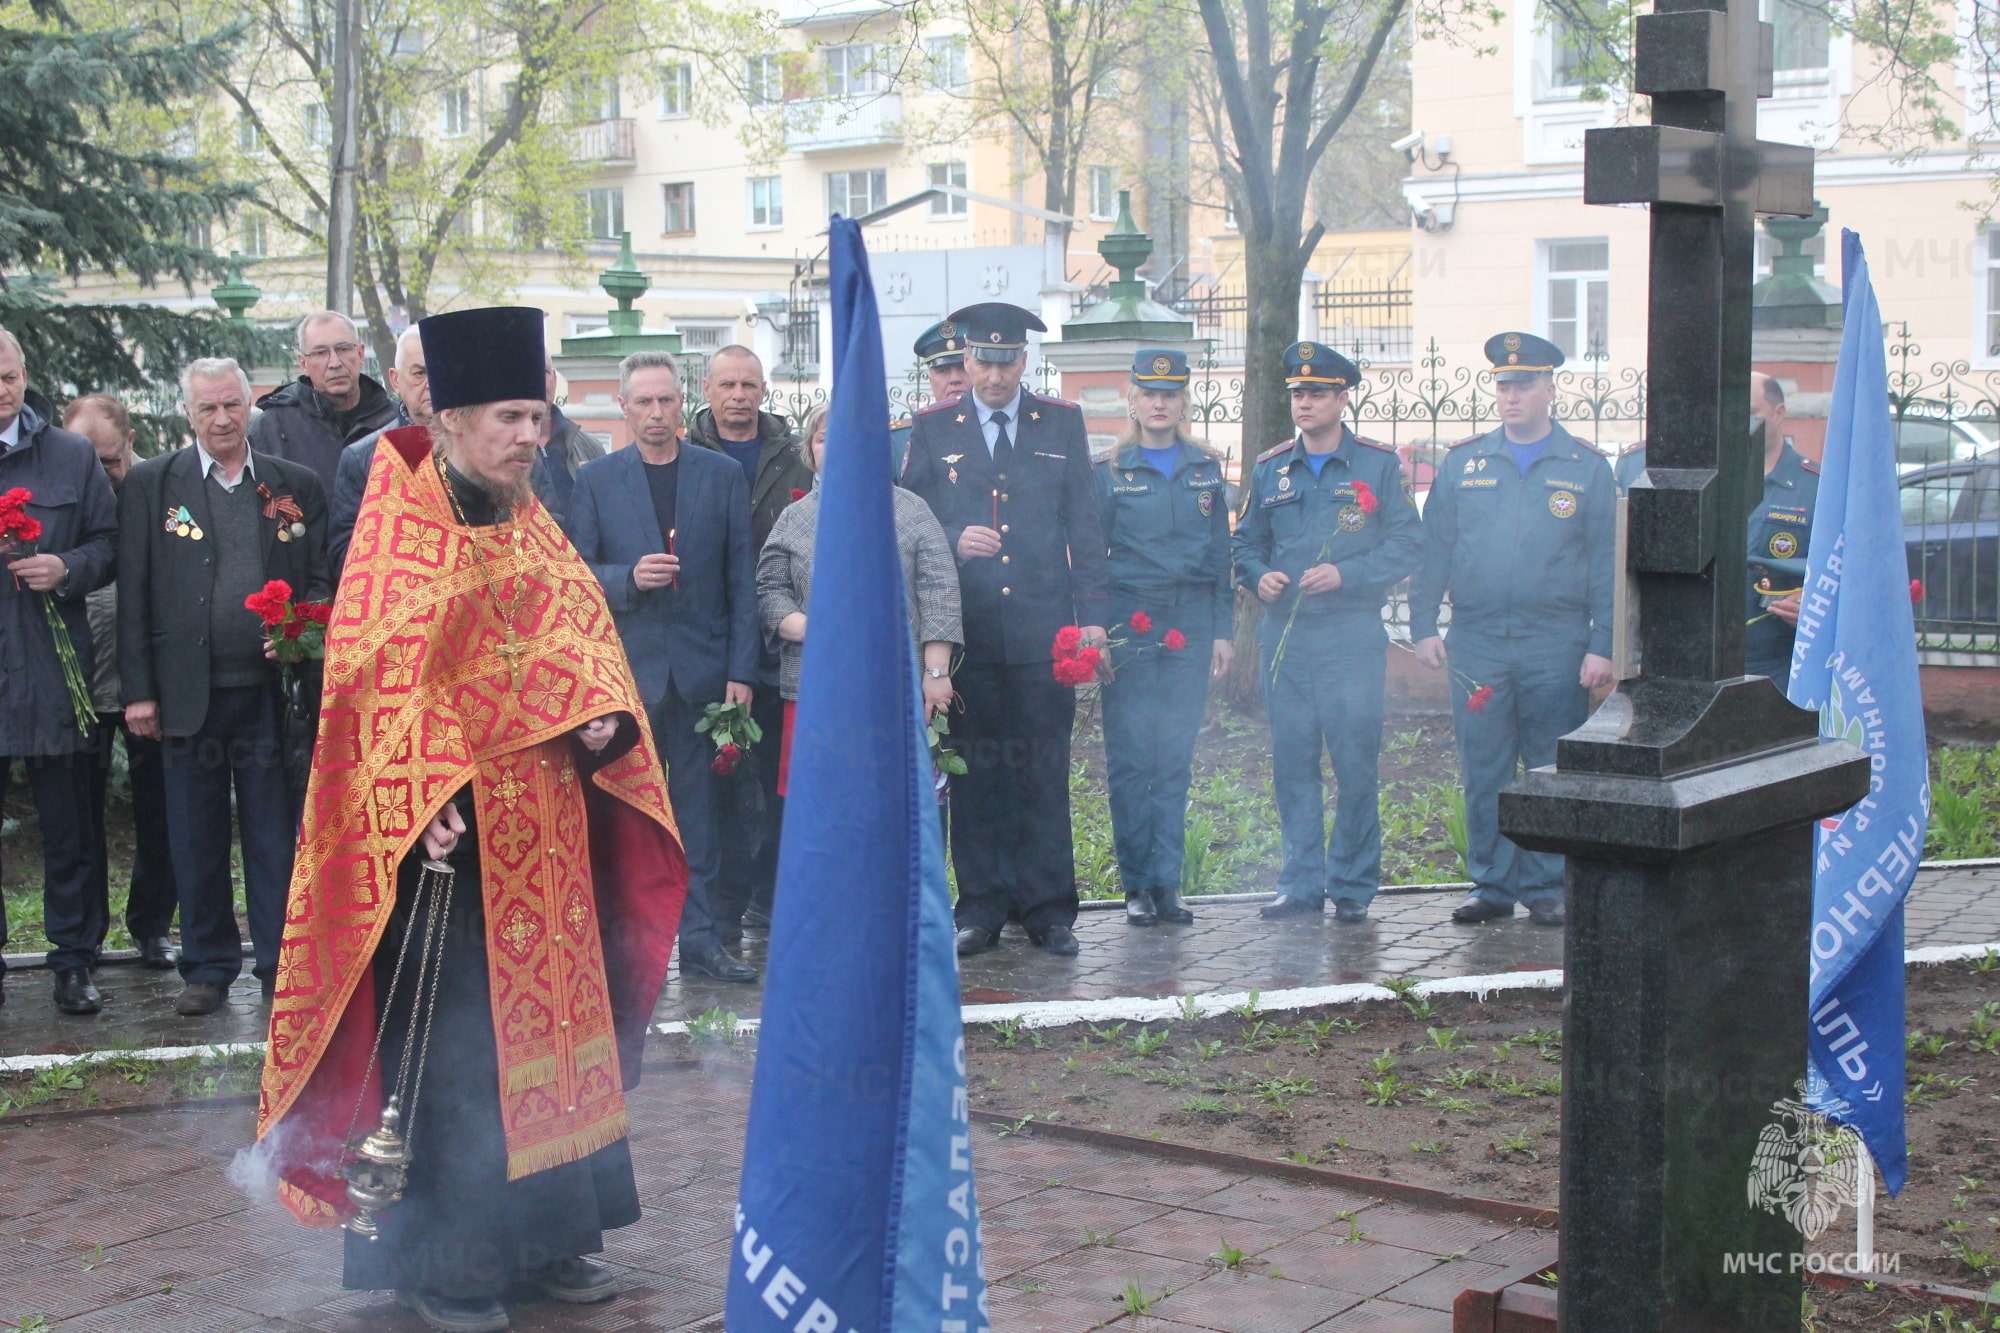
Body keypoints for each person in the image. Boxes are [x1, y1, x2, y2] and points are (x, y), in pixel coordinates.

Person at [255, 306, 686, 1333]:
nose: (529, 438)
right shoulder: (399, 526)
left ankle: (551, 1240)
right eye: (508, 419)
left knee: (561, 1030)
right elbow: (376, 681)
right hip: (445, 848)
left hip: (548, 825)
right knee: (456, 1051)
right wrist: (429, 794)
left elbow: (577, 636)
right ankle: (446, 1263)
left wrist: (599, 718)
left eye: (537, 418)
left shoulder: (527, 513)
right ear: (446, 418)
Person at [900, 301, 1111, 959]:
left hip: (1044, 633)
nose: (994, 374)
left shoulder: (1062, 423)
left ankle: (1050, 910)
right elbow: (909, 523)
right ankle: (983, 907)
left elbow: (1086, 526)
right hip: (969, 636)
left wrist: (1094, 620)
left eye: (1006, 360)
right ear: (964, 361)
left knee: (1044, 773)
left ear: (1025, 361)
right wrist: (953, 537)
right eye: (982, 360)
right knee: (978, 775)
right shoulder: (934, 428)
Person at [118, 357, 329, 1015]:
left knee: (273, 833)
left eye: (232, 405)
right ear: (189, 413)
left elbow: (322, 582)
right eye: (207, 407)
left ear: (250, 406)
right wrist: (139, 690)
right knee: (195, 833)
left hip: (269, 695)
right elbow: (135, 595)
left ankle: (276, 964)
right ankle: (206, 966)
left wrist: (299, 632)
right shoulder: (155, 485)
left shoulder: (293, 485)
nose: (221, 418)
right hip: (185, 694)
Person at [1408, 332, 1616, 928]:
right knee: (1485, 766)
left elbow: (1606, 562)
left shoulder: (1584, 467)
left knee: (1550, 766)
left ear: (1551, 388)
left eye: (1524, 383)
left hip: (1556, 638)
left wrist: (1602, 645)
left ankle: (1548, 886)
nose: (1512, 394)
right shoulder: (1465, 462)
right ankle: (1492, 884)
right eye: (1503, 384)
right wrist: (1423, 625)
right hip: (1477, 638)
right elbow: (1435, 550)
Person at [568, 350, 760, 984]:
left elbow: (742, 578)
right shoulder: (596, 480)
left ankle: (702, 939)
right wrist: (629, 579)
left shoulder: (720, 474)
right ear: (623, 406)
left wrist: (741, 670)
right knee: (626, 811)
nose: (656, 413)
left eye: (667, 400)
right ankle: (624, 944)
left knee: (700, 812)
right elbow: (574, 577)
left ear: (684, 403)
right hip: (628, 677)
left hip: (705, 675)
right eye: (643, 402)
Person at [1232, 342, 1422, 925]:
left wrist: (1347, 574)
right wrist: (1259, 577)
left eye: (1316, 393)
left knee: (1354, 765)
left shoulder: (1378, 465)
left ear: (1343, 398)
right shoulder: (1271, 468)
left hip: (1349, 638)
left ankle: (1354, 887)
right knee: (1292, 763)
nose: (1304, 402)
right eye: (1297, 393)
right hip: (1286, 641)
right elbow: (1244, 544)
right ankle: (1300, 884)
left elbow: (1409, 544)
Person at [0, 327, 119, 1015]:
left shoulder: (70, 455)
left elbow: (109, 543)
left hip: (54, 668)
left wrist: (66, 567)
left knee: (69, 826)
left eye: (10, 375)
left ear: (24, 372)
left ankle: (74, 959)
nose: (4, 389)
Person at [1093, 350, 1234, 927]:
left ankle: (1167, 884)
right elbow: (1092, 560)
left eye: (1170, 393)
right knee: (1130, 759)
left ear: (1183, 400)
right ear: (1133, 398)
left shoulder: (1205, 468)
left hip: (1190, 625)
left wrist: (1223, 632)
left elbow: (1222, 557)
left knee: (1174, 757)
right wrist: (1098, 630)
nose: (1159, 402)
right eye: (1149, 393)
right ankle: (1135, 886)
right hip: (1131, 625)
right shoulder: (1110, 469)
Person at [759, 402, 961, 797]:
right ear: (810, 451)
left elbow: (940, 591)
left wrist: (936, 675)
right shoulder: (792, 519)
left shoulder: (910, 511)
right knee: (825, 811)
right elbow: (769, 591)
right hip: (815, 690)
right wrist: (809, 629)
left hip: (895, 691)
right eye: (822, 439)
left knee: (890, 807)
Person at [683, 345, 812, 941]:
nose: (739, 395)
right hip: (717, 644)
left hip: (788, 647)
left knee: (785, 782)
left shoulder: (794, 457)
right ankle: (723, 906)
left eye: (749, 385)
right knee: (725, 783)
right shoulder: (687, 454)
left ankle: (773, 892)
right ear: (707, 389)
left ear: (765, 391)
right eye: (727, 384)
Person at [66, 393, 177, 971]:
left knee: (158, 813)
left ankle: (152, 924)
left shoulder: (162, 491)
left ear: (130, 443)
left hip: (146, 683)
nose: (99, 473)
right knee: (78, 821)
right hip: (78, 684)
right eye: (86, 459)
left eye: (108, 460)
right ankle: (81, 936)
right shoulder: (59, 495)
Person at [1608, 373, 1814, 678]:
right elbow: (1618, 557)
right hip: (1683, 654)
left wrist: (1815, 607)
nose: (1733, 424)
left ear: (1778, 413)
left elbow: (1838, 570)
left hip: (1774, 660)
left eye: (1749, 414)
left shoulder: (1813, 486)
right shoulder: (1661, 470)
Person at [331, 328, 564, 577]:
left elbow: (553, 536)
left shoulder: (520, 456)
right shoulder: (370, 457)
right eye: (420, 373)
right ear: (396, 379)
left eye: (536, 418)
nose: (435, 384)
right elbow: (352, 562)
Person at [249, 310, 399, 495]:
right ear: (303, 363)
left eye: (343, 349)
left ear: (360, 354)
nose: (334, 362)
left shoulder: (395, 423)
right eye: (321, 353)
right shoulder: (272, 429)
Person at [890, 319, 974, 473]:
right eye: (943, 370)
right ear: (930, 380)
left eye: (962, 367)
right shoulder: (900, 439)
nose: (954, 378)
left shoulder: (997, 429)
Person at [539, 354, 606, 520]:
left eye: (544, 372)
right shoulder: (501, 451)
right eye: (528, 372)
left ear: (554, 378)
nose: (537, 381)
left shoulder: (589, 448)